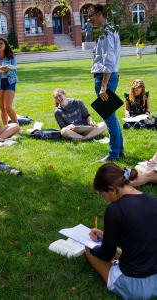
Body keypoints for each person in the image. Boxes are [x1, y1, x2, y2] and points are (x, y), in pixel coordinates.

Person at [85, 163, 157, 300]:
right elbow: (140, 235)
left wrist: (92, 248)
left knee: (88, 252)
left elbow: (106, 254)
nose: (104, 199)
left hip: (135, 285)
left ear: (112, 189)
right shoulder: (153, 201)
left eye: (102, 195)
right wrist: (105, 236)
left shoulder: (115, 209)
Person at [88, 4, 123, 162]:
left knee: (109, 117)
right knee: (111, 116)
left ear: (100, 13)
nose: (89, 20)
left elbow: (109, 60)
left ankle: (113, 153)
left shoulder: (107, 31)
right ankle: (119, 150)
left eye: (91, 16)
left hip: (105, 78)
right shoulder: (106, 30)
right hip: (104, 76)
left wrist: (103, 86)